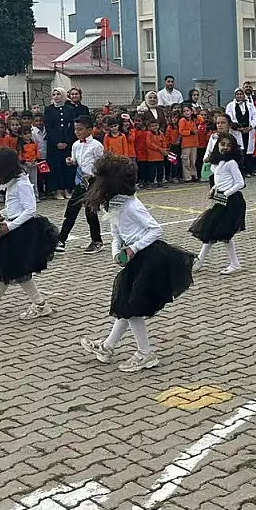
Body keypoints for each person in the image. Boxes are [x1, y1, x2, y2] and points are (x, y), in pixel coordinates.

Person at [79, 156, 195, 372]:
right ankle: (107, 347)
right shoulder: (113, 205)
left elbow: (156, 230)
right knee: (126, 304)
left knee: (131, 307)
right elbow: (116, 234)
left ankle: (145, 353)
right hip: (136, 259)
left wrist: (133, 248)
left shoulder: (131, 205)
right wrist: (117, 253)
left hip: (150, 257)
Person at [0, 147, 59, 320]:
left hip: (21, 231)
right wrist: (3, 213)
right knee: (9, 269)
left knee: (12, 269)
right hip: (14, 229)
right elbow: (15, 206)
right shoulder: (14, 183)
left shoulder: (22, 183)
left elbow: (30, 210)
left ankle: (35, 305)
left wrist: (10, 225)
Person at [189, 132, 246, 274]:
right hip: (221, 200)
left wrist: (225, 194)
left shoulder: (231, 163)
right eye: (222, 144)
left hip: (232, 201)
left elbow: (240, 183)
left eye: (228, 145)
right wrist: (214, 189)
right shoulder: (219, 162)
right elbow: (220, 180)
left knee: (222, 233)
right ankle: (199, 262)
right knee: (211, 231)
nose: (225, 147)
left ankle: (233, 263)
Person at [57, 115, 105, 254]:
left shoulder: (96, 146)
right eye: (75, 129)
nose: (77, 132)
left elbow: (101, 164)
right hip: (80, 182)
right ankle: (61, 239)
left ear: (90, 130)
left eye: (80, 129)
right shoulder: (76, 145)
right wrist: (71, 161)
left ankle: (96, 241)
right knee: (71, 209)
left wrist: (95, 175)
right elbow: (76, 160)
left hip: (93, 182)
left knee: (90, 212)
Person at [44, 88, 75, 199]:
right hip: (54, 144)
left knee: (67, 166)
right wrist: (56, 142)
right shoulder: (48, 110)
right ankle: (57, 190)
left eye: (58, 94)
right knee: (55, 166)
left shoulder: (70, 109)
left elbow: (71, 126)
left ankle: (67, 189)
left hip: (67, 143)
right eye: (54, 94)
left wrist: (67, 141)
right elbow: (48, 127)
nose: (56, 96)